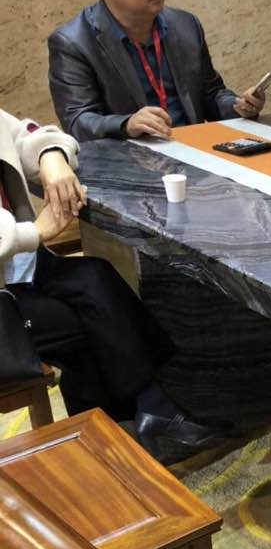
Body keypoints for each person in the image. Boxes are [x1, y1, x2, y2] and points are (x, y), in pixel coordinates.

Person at [0, 107, 230, 462]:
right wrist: (34, 232)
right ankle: (136, 418)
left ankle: (134, 416)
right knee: (82, 323)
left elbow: (26, 133)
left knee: (96, 277)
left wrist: (51, 156)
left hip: (19, 265)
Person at [48, 0, 266, 142]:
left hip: (196, 154)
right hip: (131, 160)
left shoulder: (185, 25)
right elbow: (78, 121)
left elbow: (211, 94)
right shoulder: (74, 43)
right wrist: (126, 124)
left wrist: (238, 106)